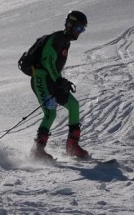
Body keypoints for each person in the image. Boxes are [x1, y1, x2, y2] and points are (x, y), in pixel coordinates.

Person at [29, 10, 89, 161]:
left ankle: (72, 146)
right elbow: (48, 61)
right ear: (69, 25)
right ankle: (37, 151)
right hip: (41, 79)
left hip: (52, 81)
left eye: (82, 30)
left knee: (73, 105)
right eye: (78, 29)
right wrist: (59, 80)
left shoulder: (65, 41)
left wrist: (59, 80)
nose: (79, 33)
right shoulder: (57, 38)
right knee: (50, 113)